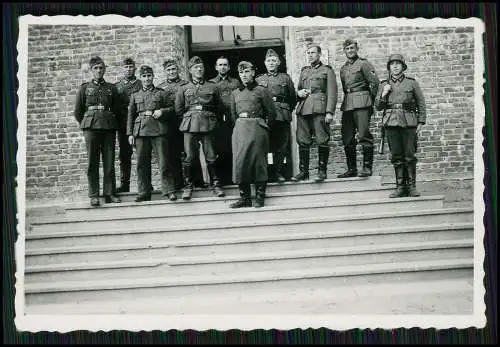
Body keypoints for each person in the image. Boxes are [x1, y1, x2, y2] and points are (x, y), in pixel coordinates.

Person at [374, 54, 426, 198]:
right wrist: (384, 93)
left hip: (409, 122)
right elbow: (378, 106)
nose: (395, 66)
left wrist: (421, 122)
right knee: (396, 155)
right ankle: (400, 187)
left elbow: (421, 102)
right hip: (391, 122)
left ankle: (412, 187)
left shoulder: (412, 83)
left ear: (403, 67)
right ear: (389, 67)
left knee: (409, 155)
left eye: (398, 64)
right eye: (392, 64)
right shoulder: (384, 84)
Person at [175, 56, 225, 200]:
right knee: (189, 156)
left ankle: (216, 185)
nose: (199, 70)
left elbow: (219, 107)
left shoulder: (212, 87)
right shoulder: (183, 88)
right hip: (190, 125)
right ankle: (188, 186)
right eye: (196, 68)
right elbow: (178, 110)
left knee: (211, 155)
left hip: (208, 124)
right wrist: (188, 118)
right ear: (190, 70)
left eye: (201, 68)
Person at [74, 55, 122, 207]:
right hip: (91, 128)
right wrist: (87, 123)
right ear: (91, 70)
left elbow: (117, 109)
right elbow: (78, 111)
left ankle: (109, 193)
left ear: (105, 69)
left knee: (109, 161)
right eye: (96, 68)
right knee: (92, 162)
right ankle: (94, 195)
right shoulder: (84, 88)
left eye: (101, 68)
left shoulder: (111, 88)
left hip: (108, 127)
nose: (99, 71)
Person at [229, 61, 278, 208]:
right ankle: (244, 198)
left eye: (247, 72)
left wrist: (263, 127)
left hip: (257, 129)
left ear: (253, 73)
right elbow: (232, 116)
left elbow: (272, 113)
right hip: (240, 130)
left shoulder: (261, 91)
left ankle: (260, 196)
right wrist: (239, 126)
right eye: (241, 72)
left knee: (259, 162)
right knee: (240, 162)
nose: (244, 75)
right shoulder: (235, 93)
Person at [127, 65, 177, 202]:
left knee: (164, 162)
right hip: (141, 131)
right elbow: (130, 115)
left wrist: (162, 112)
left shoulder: (161, 93)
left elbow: (172, 109)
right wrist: (130, 134)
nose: (147, 79)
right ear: (140, 78)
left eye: (149, 76)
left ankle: (169, 191)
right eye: (144, 76)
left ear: (153, 76)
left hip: (158, 130)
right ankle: (144, 191)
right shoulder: (135, 95)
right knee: (141, 163)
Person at [157, 58, 207, 191]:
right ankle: (178, 182)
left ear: (178, 70)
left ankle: (197, 180)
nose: (172, 72)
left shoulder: (186, 84)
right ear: (165, 72)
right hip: (170, 124)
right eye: (169, 70)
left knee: (191, 151)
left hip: (186, 121)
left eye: (174, 69)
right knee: (173, 153)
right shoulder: (161, 87)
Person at [292, 43, 338, 183]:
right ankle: (304, 172)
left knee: (322, 139)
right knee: (303, 140)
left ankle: (322, 171)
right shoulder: (304, 71)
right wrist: (298, 93)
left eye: (313, 52)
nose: (310, 55)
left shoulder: (327, 70)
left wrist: (329, 112)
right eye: (308, 53)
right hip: (304, 109)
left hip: (320, 109)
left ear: (319, 54)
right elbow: (299, 90)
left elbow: (332, 92)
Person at [338, 39, 380, 178]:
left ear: (357, 49)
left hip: (362, 103)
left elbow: (374, 84)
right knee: (347, 137)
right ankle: (352, 169)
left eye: (352, 48)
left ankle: (367, 168)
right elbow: (345, 88)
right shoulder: (343, 69)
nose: (350, 51)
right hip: (348, 104)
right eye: (347, 49)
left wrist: (369, 101)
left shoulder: (364, 64)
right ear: (344, 51)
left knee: (363, 135)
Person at [256, 48, 297, 183]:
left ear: (279, 62)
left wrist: (285, 110)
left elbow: (292, 98)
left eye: (274, 60)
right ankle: (267, 173)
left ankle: (279, 172)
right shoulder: (259, 79)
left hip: (281, 115)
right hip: (265, 118)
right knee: (265, 145)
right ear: (265, 63)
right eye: (269, 61)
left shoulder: (285, 78)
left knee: (281, 145)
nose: (271, 63)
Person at [209, 56, 242, 186]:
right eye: (220, 65)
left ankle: (233, 178)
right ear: (216, 67)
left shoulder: (235, 83)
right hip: (216, 119)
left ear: (228, 67)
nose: (223, 67)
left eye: (225, 65)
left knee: (233, 147)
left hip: (232, 118)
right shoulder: (211, 83)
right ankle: (220, 179)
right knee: (218, 149)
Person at [114, 58, 142, 193]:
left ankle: (145, 182)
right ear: (122, 69)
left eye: (131, 66)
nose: (129, 69)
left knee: (142, 154)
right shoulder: (117, 86)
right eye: (126, 67)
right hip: (123, 125)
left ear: (135, 68)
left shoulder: (141, 84)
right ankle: (125, 184)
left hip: (139, 124)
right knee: (124, 156)